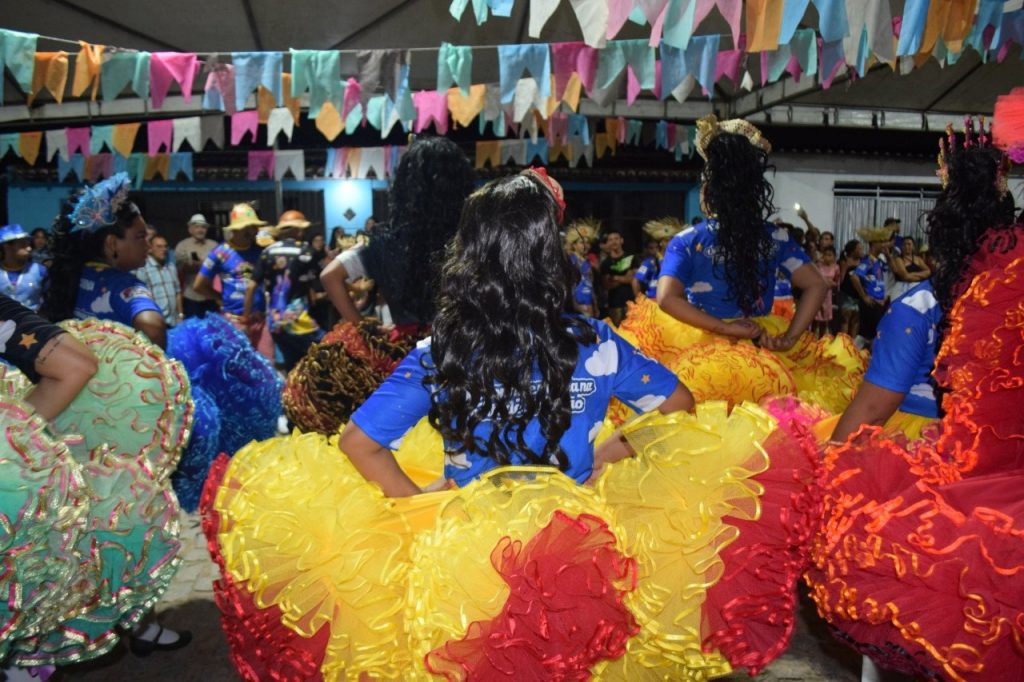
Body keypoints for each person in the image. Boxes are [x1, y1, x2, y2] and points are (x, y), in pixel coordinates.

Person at [203, 172, 826, 681]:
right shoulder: (594, 343)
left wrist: (417, 506)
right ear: (548, 258)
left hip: (461, 553)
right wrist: (608, 449)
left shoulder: (440, 348)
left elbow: (360, 442)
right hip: (578, 549)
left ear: (470, 256)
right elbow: (679, 407)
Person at [807, 116, 1024, 681]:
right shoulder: (1013, 283)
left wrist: (821, 472)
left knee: (900, 585)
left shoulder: (921, 307)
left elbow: (872, 410)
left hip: (959, 480)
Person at [657, 115, 827, 350]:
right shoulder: (776, 237)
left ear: (707, 190)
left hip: (704, 348)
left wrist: (725, 329)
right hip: (760, 343)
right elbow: (817, 284)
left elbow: (666, 298)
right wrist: (789, 339)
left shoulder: (686, 240)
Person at [320, 137, 474, 329]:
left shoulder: (385, 243)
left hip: (407, 351)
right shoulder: (472, 239)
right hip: (462, 350)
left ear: (403, 186)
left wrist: (366, 330)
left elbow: (329, 276)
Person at [40, 173, 169, 349]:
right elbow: (153, 327)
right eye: (140, 236)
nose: (148, 245)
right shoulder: (124, 285)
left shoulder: (73, 275)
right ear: (112, 243)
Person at [246, 210, 324, 372]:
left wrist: (246, 318)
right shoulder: (306, 251)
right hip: (300, 322)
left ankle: (293, 395)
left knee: (292, 366)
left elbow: (252, 286)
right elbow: (324, 277)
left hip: (275, 322)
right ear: (299, 230)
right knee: (326, 353)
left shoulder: (267, 252)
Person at [193, 203, 267, 348]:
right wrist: (219, 298)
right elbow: (198, 285)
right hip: (234, 322)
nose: (254, 231)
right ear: (236, 229)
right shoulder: (220, 253)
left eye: (254, 227)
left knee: (267, 364)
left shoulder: (261, 251)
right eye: (249, 227)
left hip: (260, 321)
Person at [849, 225, 893, 349]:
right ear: (874, 244)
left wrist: (888, 255)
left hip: (878, 303)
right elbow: (854, 277)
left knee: (866, 334)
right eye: (881, 242)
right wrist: (864, 297)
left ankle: (853, 356)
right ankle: (870, 360)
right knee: (874, 333)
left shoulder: (878, 261)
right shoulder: (868, 260)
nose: (884, 244)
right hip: (872, 303)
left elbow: (893, 270)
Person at [134, 233, 183, 327]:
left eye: (165, 246)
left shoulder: (171, 267)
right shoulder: (143, 270)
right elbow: (141, 298)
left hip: (174, 322)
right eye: (159, 247)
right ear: (150, 249)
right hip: (156, 323)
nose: (163, 250)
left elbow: (178, 292)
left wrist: (180, 315)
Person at [174, 213, 218, 318]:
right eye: (197, 227)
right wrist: (203, 265)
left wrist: (200, 264)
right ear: (190, 229)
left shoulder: (214, 245)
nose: (200, 230)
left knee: (211, 328)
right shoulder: (182, 246)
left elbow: (219, 268)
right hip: (191, 296)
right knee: (193, 329)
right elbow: (180, 269)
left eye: (203, 227)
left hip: (210, 295)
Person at [0, 224, 48, 310]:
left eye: (28, 244)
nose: (29, 248)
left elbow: (48, 298)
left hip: (32, 320)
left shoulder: (40, 271)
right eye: (22, 244)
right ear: (6, 246)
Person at [632, 218, 679, 300]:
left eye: (672, 240)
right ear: (661, 243)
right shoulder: (651, 261)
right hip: (654, 301)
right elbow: (636, 281)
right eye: (667, 240)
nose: (670, 243)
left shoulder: (678, 260)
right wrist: (640, 301)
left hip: (673, 301)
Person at [598, 228, 636, 325]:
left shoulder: (631, 258)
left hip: (632, 304)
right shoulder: (605, 264)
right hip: (615, 305)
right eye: (610, 240)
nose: (613, 241)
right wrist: (625, 278)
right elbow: (607, 285)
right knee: (617, 333)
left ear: (621, 240)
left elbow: (633, 279)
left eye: (616, 238)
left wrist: (615, 278)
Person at [564, 217, 598, 317]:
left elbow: (590, 284)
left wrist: (595, 304)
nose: (586, 245)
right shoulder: (570, 260)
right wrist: (575, 305)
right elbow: (568, 284)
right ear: (574, 245)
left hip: (588, 304)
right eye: (582, 242)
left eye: (587, 242)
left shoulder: (587, 262)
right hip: (576, 306)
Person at [887, 234, 931, 300]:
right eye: (904, 244)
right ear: (901, 246)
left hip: (916, 289)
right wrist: (921, 277)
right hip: (901, 289)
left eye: (909, 244)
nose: (907, 246)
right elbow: (905, 276)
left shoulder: (918, 259)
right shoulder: (898, 259)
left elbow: (928, 271)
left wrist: (912, 275)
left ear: (913, 246)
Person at [812, 245, 840, 337]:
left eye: (830, 255)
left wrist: (832, 284)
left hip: (827, 295)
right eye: (826, 255)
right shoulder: (818, 266)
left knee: (825, 319)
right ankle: (812, 338)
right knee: (815, 319)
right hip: (817, 294)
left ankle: (823, 339)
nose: (828, 257)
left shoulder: (836, 268)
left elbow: (837, 282)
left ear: (834, 256)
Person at [837, 239, 862, 338]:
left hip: (858, 294)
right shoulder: (844, 261)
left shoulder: (863, 261)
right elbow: (841, 280)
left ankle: (853, 344)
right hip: (846, 294)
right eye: (859, 248)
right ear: (853, 250)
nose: (862, 251)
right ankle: (843, 342)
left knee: (856, 320)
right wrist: (846, 267)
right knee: (845, 319)